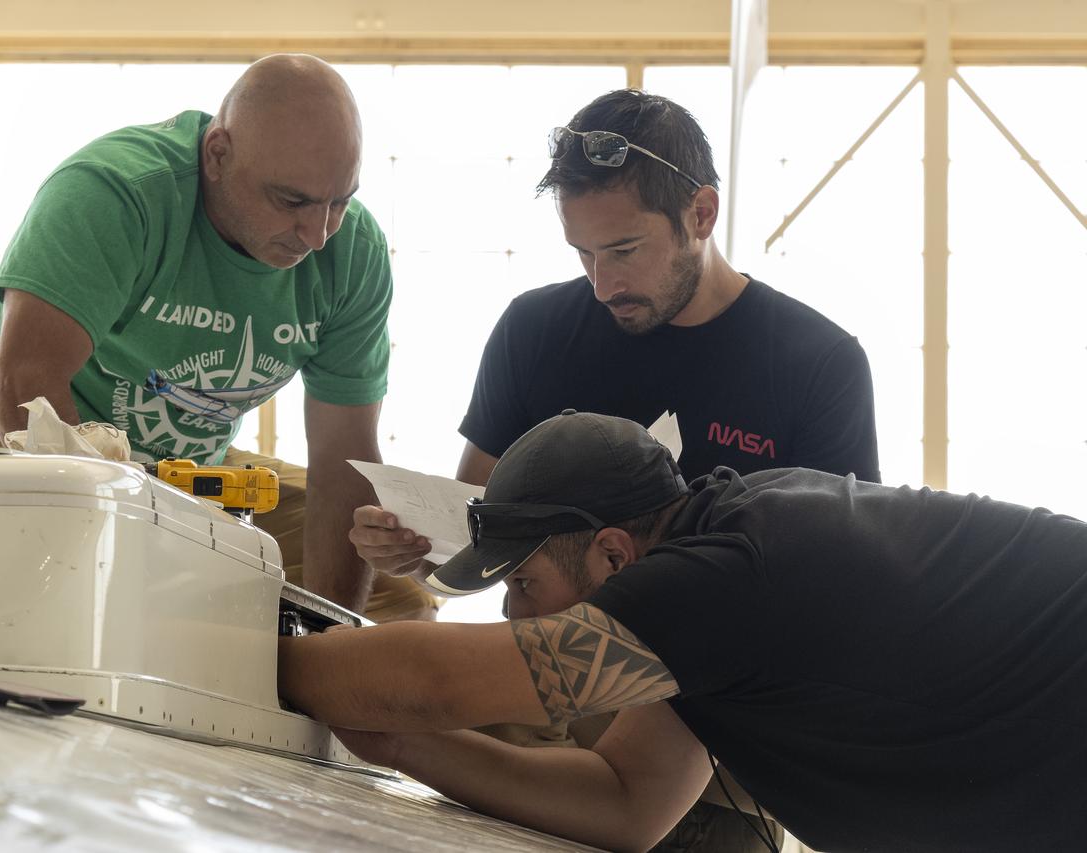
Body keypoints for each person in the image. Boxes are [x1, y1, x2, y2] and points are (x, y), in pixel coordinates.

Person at [349, 88, 879, 846]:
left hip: (712, 746)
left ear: (702, 213)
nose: (603, 286)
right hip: (538, 704)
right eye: (582, 255)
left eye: (624, 251)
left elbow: (833, 600)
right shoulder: (535, 330)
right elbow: (478, 517)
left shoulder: (816, 364)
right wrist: (418, 543)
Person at [282, 411, 1087, 853]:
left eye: (525, 582)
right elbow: (629, 804)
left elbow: (442, 681)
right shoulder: (711, 594)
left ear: (612, 552)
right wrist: (400, 746)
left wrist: (248, 653)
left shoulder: (727, 574)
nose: (513, 616)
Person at [0, 54, 434, 622]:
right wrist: (138, 536)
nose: (318, 234)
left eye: (339, 201)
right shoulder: (115, 194)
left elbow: (344, 455)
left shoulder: (352, 250)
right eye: (291, 202)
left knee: (393, 603)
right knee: (112, 607)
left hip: (181, 475)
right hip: (7, 448)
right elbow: (20, 393)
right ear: (217, 154)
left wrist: (336, 644)